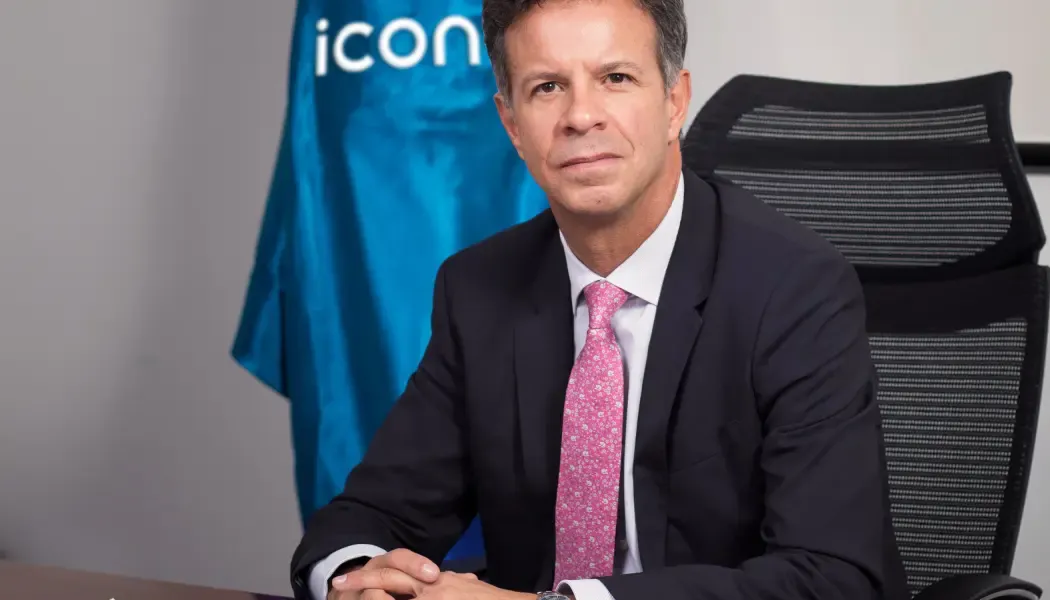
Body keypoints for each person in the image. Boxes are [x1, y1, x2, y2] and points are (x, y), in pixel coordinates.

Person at [290, 0, 908, 598]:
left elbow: (832, 578)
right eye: (547, 87)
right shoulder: (479, 289)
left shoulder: (793, 288)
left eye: (615, 78)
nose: (581, 116)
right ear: (512, 124)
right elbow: (368, 515)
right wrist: (361, 581)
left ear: (674, 102)